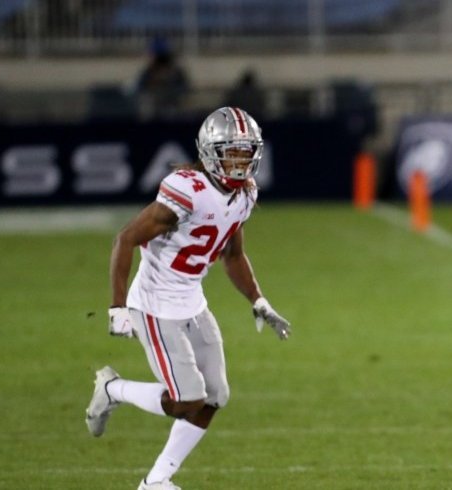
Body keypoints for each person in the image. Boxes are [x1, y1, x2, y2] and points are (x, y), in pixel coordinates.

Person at [85, 106, 292, 490]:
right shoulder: (186, 190)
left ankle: (156, 481)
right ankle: (112, 389)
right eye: (232, 151)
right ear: (211, 151)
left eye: (247, 152)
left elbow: (233, 254)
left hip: (191, 301)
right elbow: (125, 238)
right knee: (186, 401)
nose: (241, 161)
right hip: (154, 304)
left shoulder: (245, 194)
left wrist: (258, 300)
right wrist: (116, 307)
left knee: (216, 396)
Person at [134, 37, 191, 120]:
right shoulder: (147, 73)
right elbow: (138, 89)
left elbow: (184, 90)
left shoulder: (176, 73)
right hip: (152, 113)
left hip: (172, 112)